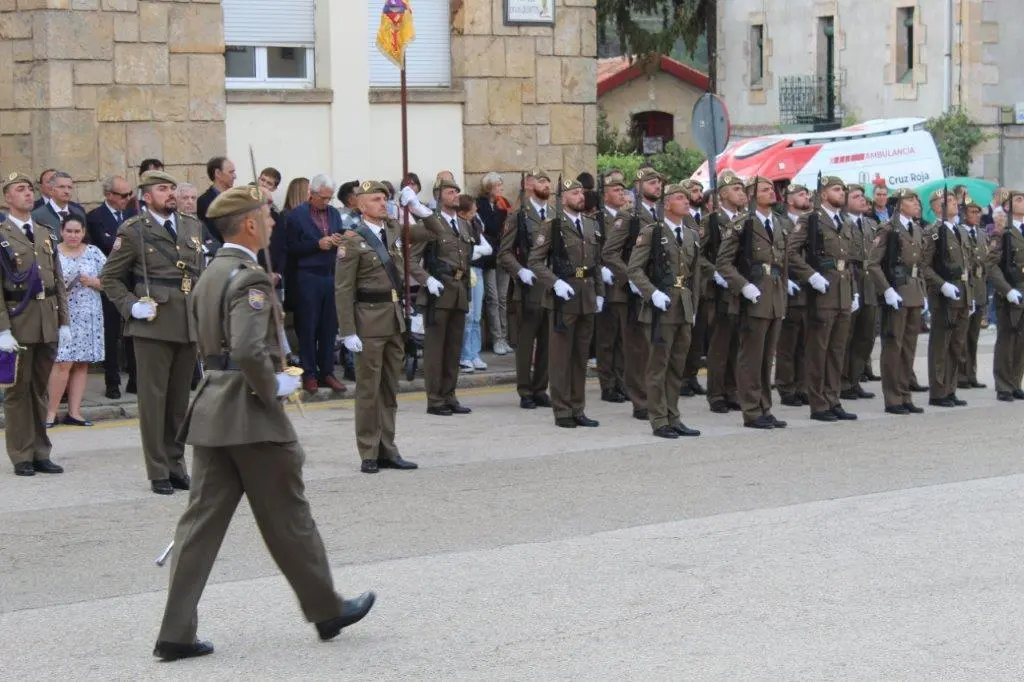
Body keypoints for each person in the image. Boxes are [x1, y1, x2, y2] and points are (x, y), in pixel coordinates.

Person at [153, 185, 374, 662]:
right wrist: (274, 385)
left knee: (198, 526)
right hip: (250, 413)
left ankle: (176, 631)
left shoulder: (211, 271)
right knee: (290, 518)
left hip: (213, 408)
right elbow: (249, 349)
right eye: (267, 216)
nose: (273, 223)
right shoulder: (249, 277)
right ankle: (327, 609)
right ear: (250, 224)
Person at [100, 171, 205, 494]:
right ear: (146, 196)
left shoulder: (191, 225)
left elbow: (199, 274)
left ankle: (176, 465)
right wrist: (130, 305)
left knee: (179, 402)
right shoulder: (134, 230)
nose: (170, 193)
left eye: (172, 188)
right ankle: (158, 469)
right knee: (154, 401)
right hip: (154, 321)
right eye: (162, 189)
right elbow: (109, 278)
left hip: (187, 320)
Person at [335, 181, 419, 474]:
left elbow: (432, 231)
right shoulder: (352, 241)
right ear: (361, 205)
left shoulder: (393, 230)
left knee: (389, 390)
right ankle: (369, 450)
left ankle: (388, 448)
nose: (383, 203)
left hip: (394, 319)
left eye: (385, 198)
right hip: (368, 322)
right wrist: (348, 331)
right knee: (368, 391)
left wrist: (416, 207)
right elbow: (343, 289)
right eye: (376, 199)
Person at [0, 172, 71, 476]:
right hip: (18, 322)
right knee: (18, 391)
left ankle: (41, 451)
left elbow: (58, 279)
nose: (28, 193)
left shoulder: (44, 232)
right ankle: (21, 454)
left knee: (40, 389)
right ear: (7, 198)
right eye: (20, 189)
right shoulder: (2, 234)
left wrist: (64, 321)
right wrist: (2, 329)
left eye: (30, 189)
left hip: (46, 321)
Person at [527, 177, 605, 428]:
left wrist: (600, 293)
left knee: (580, 358)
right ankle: (562, 411)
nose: (580, 196)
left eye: (581, 192)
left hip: (586, 296)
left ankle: (578, 408)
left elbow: (596, 263)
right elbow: (535, 262)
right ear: (562, 198)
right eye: (574, 193)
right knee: (560, 359)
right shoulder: (552, 225)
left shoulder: (591, 224)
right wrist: (555, 283)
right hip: (563, 299)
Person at [627, 182, 702, 439]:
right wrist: (652, 293)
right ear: (667, 203)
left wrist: (694, 307)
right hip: (661, 308)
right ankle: (659, 420)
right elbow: (634, 269)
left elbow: (695, 275)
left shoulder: (691, 234)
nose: (686, 201)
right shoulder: (652, 232)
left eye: (687, 197)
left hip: (683, 306)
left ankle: (673, 416)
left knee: (677, 366)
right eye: (680, 197)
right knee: (658, 366)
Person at [716, 176, 789, 430]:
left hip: (774, 295)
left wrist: (784, 296)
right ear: (751, 196)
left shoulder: (778, 222)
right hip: (754, 295)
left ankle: (765, 407)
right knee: (751, 357)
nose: (772, 192)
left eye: (772, 189)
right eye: (765, 189)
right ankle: (751, 410)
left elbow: (783, 264)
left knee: (767, 358)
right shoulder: (742, 224)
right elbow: (723, 263)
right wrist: (743, 286)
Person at [787, 176, 860, 422]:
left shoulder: (845, 221)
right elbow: (791, 253)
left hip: (843, 293)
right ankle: (818, 404)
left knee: (837, 351)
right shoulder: (810, 219)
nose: (842, 193)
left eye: (843, 189)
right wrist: (810, 276)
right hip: (822, 293)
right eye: (836, 189)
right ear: (823, 194)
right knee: (818, 351)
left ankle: (833, 399)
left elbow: (849, 261)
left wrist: (854, 290)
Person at [405, 178, 474, 416]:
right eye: (450, 191)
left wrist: (467, 291)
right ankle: (435, 400)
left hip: (459, 292)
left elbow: (466, 261)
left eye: (457, 191)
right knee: (435, 351)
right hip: (438, 293)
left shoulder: (464, 225)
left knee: (454, 349)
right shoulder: (430, 225)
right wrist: (427, 280)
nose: (455, 195)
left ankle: (449, 395)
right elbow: (411, 260)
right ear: (438, 196)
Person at [603, 168, 664, 421]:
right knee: (637, 349)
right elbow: (609, 253)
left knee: (656, 347)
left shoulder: (663, 214)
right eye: (651, 182)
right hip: (633, 292)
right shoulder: (628, 215)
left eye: (659, 182)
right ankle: (641, 402)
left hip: (658, 288)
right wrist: (630, 278)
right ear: (637, 186)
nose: (657, 186)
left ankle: (656, 398)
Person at [284, 174, 347, 394]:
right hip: (307, 276)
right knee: (307, 327)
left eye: (330, 198)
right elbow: (290, 248)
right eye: (323, 198)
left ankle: (327, 372)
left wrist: (338, 240)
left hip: (329, 274)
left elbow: (340, 234)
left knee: (329, 327)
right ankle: (309, 373)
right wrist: (316, 244)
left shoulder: (334, 213)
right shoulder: (296, 216)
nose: (326, 202)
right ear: (312, 193)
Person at [867, 188, 928, 415]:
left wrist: (923, 292)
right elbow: (873, 264)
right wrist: (887, 291)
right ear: (900, 204)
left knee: (908, 347)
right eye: (911, 199)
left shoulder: (916, 229)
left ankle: (905, 395)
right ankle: (893, 398)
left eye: (916, 199)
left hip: (913, 292)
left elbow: (920, 265)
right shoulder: (887, 229)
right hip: (896, 292)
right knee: (894, 346)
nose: (916, 203)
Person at [498, 170, 552, 410]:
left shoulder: (555, 214)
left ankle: (540, 388)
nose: (546, 184)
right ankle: (525, 390)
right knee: (526, 342)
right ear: (529, 186)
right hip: (528, 288)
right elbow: (504, 253)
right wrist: (520, 271)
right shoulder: (518, 216)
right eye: (540, 181)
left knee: (548, 343)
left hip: (551, 287)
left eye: (547, 181)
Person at [44, 216, 106, 427]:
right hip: (63, 315)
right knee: (62, 362)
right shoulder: (52, 251)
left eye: (77, 231)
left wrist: (95, 282)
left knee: (81, 363)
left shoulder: (94, 252)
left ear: (84, 232)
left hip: (89, 315)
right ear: (61, 231)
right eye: (69, 231)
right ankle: (50, 413)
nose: (73, 235)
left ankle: (75, 412)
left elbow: (111, 280)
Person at [87, 175, 137, 399]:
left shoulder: (134, 215)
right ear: (109, 195)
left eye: (129, 194)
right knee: (111, 333)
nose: (127, 198)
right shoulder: (95, 217)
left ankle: (135, 379)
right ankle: (112, 382)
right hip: (109, 282)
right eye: (123, 195)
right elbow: (105, 245)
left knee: (134, 331)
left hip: (132, 280)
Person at [921, 189, 972, 408]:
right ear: (936, 207)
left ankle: (950, 389)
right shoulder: (933, 232)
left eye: (953, 200)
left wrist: (970, 295)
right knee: (940, 345)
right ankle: (938, 391)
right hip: (944, 296)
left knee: (956, 345)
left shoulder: (960, 230)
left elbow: (968, 265)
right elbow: (924, 266)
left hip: (962, 294)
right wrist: (942, 285)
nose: (954, 203)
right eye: (948, 201)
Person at [703, 171, 746, 415]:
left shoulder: (746, 219)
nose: (741, 193)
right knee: (720, 345)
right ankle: (716, 394)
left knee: (737, 343)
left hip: (741, 288)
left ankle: (732, 390)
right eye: (736, 189)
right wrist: (714, 273)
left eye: (742, 189)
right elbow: (699, 255)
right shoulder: (711, 221)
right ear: (723, 194)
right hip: (719, 291)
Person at [839, 184, 878, 401]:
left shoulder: (871, 224)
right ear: (845, 202)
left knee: (866, 335)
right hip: (850, 277)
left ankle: (854, 380)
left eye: (863, 196)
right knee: (847, 334)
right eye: (856, 196)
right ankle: (842, 382)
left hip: (869, 281)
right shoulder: (842, 223)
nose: (862, 199)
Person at [774, 183, 811, 407]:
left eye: (807, 193)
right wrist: (784, 279)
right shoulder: (780, 223)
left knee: (805, 343)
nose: (806, 197)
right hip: (790, 286)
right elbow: (777, 253)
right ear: (789, 199)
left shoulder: (810, 221)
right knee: (787, 344)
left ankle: (802, 386)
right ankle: (786, 387)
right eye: (801, 194)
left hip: (809, 288)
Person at [594, 170, 628, 404]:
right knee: (607, 339)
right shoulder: (597, 219)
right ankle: (607, 385)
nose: (621, 194)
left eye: (622, 190)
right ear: (605, 195)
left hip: (625, 283)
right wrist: (600, 270)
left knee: (623, 339)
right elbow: (591, 250)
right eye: (616, 190)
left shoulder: (627, 217)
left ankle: (621, 383)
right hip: (607, 284)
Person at [986, 191, 1024, 402]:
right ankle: (1003, 385)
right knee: (1007, 339)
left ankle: (1016, 382)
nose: (1023, 203)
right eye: (1019, 200)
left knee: (1021, 341)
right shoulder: (1002, 232)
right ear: (1007, 207)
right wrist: (1007, 290)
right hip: (1010, 292)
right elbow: (991, 265)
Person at [475, 173, 511, 356]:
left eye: (501, 185)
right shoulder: (481, 205)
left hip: (504, 255)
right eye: (497, 186)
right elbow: (492, 227)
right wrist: (501, 211)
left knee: (503, 298)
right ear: (489, 188)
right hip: (489, 258)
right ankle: (497, 339)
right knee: (493, 298)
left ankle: (504, 337)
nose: (501, 189)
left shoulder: (503, 203)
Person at [680, 179, 710, 396]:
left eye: (700, 190)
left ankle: (691, 376)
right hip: (687, 282)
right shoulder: (682, 218)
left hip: (703, 284)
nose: (698, 194)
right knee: (685, 336)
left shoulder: (706, 218)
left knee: (698, 336)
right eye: (693, 191)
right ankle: (681, 379)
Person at [458, 195, 493, 373]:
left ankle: (474, 354)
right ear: (463, 212)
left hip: (476, 272)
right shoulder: (457, 226)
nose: (475, 212)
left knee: (477, 316)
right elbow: (464, 253)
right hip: (465, 272)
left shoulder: (475, 225)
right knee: (468, 316)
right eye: (472, 211)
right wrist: (474, 251)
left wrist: (474, 250)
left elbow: (488, 249)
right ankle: (464, 355)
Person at [958, 196, 988, 390]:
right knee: (962, 335)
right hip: (965, 287)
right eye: (972, 212)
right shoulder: (959, 232)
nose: (976, 215)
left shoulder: (982, 234)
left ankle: (971, 373)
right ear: (964, 214)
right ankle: (961, 375)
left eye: (978, 212)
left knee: (973, 335)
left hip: (979, 287)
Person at [32, 171, 86, 239]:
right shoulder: (37, 216)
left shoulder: (79, 212)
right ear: (51, 190)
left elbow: (85, 239)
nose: (66, 191)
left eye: (69, 187)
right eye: (61, 187)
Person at [196, 156, 237, 245]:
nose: (235, 176)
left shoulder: (236, 199)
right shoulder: (205, 202)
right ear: (217, 173)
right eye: (231, 172)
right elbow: (210, 234)